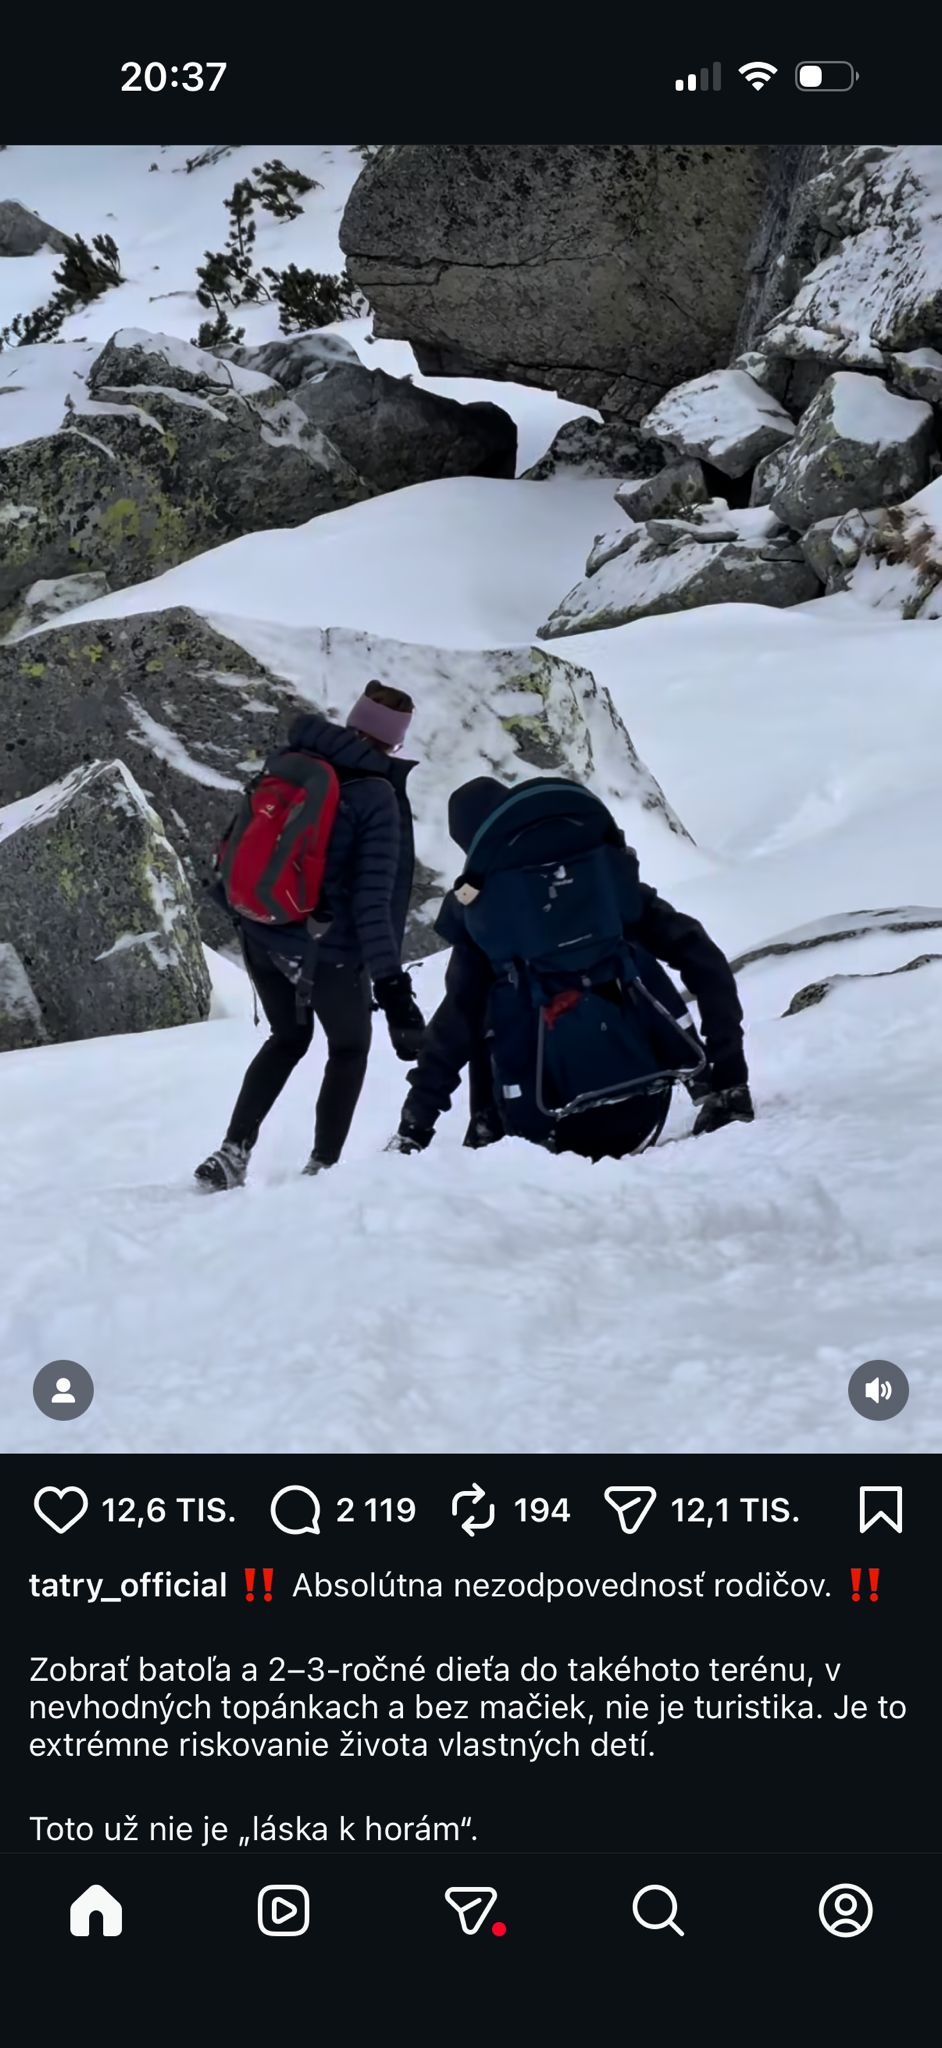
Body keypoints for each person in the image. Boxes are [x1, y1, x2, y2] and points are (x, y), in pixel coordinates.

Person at [388, 776, 753, 1161]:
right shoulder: (607, 890)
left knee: (483, 1002)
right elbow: (703, 958)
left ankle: (486, 1128)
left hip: (548, 1135)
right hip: (646, 1104)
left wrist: (413, 1129)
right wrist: (730, 1076)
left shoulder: (485, 926)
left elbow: (450, 1035)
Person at [195, 682, 426, 1190]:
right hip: (327, 951)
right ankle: (321, 1170)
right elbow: (371, 902)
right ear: (394, 742)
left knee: (287, 1037)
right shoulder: (374, 795)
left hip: (261, 929)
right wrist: (392, 988)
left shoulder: (291, 761)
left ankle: (232, 1151)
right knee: (348, 1049)